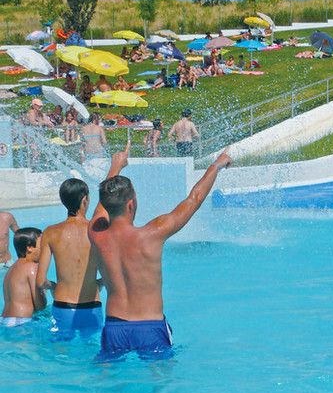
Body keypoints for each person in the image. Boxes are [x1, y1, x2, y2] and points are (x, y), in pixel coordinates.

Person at [88, 143, 232, 358]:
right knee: (162, 386)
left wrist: (115, 166)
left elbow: (102, 207)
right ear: (130, 205)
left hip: (114, 327)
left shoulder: (96, 233)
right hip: (150, 327)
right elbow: (194, 200)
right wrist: (217, 165)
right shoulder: (152, 234)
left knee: (108, 383)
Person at [36, 179, 104, 338]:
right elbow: (112, 272)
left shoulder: (50, 232)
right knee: (91, 353)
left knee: (61, 353)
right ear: (84, 199)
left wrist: (53, 286)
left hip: (63, 306)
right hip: (92, 306)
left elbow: (40, 281)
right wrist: (98, 284)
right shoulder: (96, 230)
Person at [1, 227, 46, 327]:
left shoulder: (12, 269)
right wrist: (43, 290)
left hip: (4, 320)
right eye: (42, 245)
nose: (45, 249)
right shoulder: (32, 267)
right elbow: (41, 306)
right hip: (21, 322)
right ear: (29, 248)